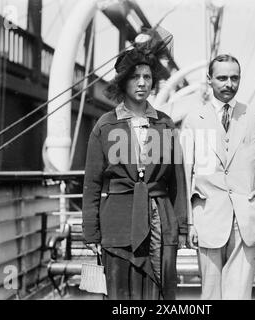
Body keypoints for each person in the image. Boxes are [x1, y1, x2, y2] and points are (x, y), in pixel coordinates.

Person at [81, 31, 187, 300]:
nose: (142, 83)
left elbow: (177, 182)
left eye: (147, 77)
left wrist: (182, 227)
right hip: (116, 224)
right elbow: (92, 184)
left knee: (157, 294)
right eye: (135, 77)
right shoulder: (105, 125)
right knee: (120, 295)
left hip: (159, 223)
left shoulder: (165, 124)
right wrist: (91, 233)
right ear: (123, 81)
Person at [181, 54, 255, 300]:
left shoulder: (253, 116)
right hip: (208, 221)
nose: (229, 84)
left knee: (239, 296)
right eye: (222, 78)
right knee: (210, 296)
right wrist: (190, 223)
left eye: (234, 78)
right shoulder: (194, 120)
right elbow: (185, 173)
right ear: (209, 80)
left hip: (245, 220)